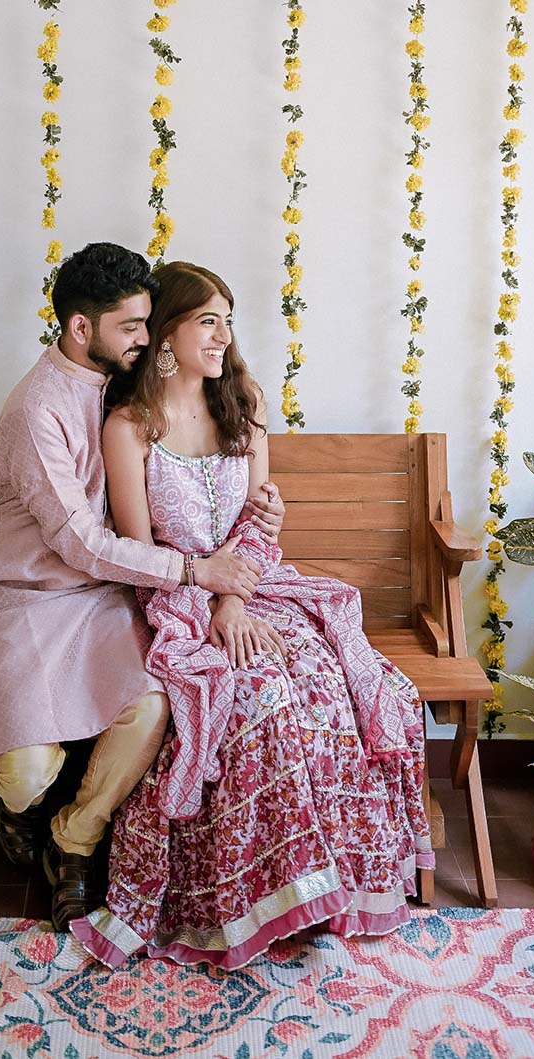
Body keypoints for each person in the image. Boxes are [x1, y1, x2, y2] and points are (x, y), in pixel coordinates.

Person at [71, 261, 434, 969]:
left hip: (254, 589)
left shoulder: (245, 401)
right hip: (174, 602)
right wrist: (208, 604)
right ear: (166, 334)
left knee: (330, 685)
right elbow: (139, 556)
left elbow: (260, 526)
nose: (224, 337)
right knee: (254, 697)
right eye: (208, 321)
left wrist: (236, 599)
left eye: (228, 322)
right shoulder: (129, 427)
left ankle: (329, 891)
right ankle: (252, 900)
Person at [0, 243, 282, 930]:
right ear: (82, 328)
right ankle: (21, 805)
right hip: (25, 596)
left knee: (153, 704)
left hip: (107, 592)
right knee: (24, 775)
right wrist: (197, 571)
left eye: (148, 323)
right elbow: (80, 541)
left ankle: (75, 840)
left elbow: (192, 440)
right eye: (132, 327)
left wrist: (255, 523)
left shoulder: (124, 381)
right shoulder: (37, 409)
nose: (145, 337)